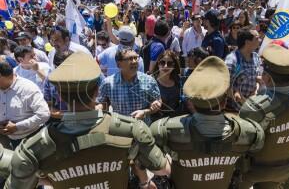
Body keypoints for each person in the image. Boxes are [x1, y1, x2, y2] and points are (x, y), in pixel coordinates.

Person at [1, 52, 170, 189]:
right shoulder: (130, 131)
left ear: (60, 94)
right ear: (97, 91)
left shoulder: (35, 148)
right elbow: (163, 169)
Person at [150, 56, 264, 189]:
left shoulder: (163, 130)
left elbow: (149, 163)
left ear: (191, 102)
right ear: (224, 103)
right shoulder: (250, 133)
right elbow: (250, 160)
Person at [238, 44, 289, 189]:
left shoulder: (254, 107)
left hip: (254, 172)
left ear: (267, 77)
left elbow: (240, 148)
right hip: (285, 169)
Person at [97, 48, 161, 125]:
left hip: (143, 130)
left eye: (136, 58)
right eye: (130, 59)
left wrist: (146, 111)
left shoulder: (149, 80)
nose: (134, 61)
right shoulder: (108, 83)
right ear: (119, 64)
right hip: (119, 129)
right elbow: (103, 104)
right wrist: (98, 108)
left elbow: (158, 101)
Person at [0, 59, 49, 149]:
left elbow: (44, 114)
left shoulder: (28, 88)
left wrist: (17, 127)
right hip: (12, 140)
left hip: (35, 139)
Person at [225, 28, 262, 112]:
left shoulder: (256, 57)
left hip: (252, 106)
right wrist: (242, 100)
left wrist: (255, 92)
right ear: (247, 42)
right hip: (234, 110)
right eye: (257, 38)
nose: (260, 40)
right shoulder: (232, 60)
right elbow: (226, 86)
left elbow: (258, 77)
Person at [151, 50, 181, 121]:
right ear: (158, 64)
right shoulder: (151, 81)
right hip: (156, 123)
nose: (165, 66)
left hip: (175, 121)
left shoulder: (178, 80)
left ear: (174, 66)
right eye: (162, 62)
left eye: (170, 63)